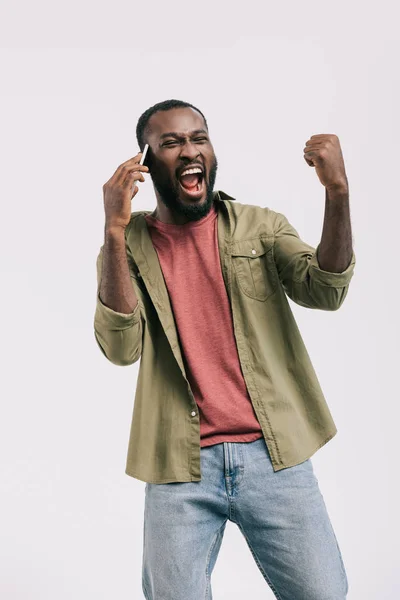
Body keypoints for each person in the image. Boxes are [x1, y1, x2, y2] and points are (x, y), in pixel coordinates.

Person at [94, 99, 355, 600]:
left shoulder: (260, 226)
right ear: (145, 162)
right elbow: (121, 348)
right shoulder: (127, 246)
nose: (190, 150)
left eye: (199, 138)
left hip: (274, 454)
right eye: (171, 143)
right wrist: (112, 229)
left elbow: (326, 289)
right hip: (179, 463)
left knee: (324, 593)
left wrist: (337, 194)